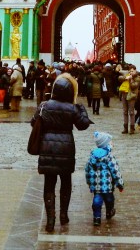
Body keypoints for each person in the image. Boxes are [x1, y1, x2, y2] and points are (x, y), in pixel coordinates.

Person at [32, 73, 92, 232]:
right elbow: (83, 125)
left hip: (47, 146)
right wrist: (82, 109)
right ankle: (63, 215)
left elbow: (33, 122)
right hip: (66, 148)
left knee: (49, 184)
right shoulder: (71, 108)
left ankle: (50, 220)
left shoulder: (44, 105)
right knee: (66, 182)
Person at [85, 131, 124, 226]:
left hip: (96, 186)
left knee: (97, 201)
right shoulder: (109, 156)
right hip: (107, 186)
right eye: (110, 142)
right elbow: (115, 171)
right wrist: (120, 184)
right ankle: (109, 211)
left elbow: (87, 171)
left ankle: (97, 218)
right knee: (109, 200)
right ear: (106, 144)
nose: (112, 143)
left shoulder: (92, 157)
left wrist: (89, 182)